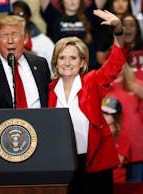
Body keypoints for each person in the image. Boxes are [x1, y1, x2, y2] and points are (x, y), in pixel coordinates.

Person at [47, 9, 126, 194]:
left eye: (73, 58)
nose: (67, 62)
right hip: (62, 164)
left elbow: (116, 61)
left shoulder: (91, 81)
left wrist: (118, 30)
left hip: (96, 162)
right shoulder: (48, 90)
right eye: (62, 57)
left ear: (82, 62)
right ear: (56, 62)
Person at [105, 63, 143, 182]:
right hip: (115, 148)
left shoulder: (136, 86)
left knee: (136, 186)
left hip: (137, 146)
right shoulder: (103, 86)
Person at [101, 96, 131, 183]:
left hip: (116, 180)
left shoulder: (122, 136)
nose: (103, 116)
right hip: (98, 179)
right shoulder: (96, 133)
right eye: (101, 112)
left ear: (116, 116)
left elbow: (118, 162)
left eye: (106, 113)